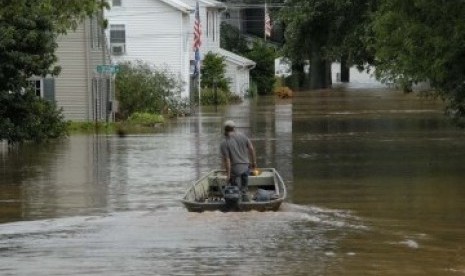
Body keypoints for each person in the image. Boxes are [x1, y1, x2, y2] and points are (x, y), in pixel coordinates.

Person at [220, 120, 257, 202]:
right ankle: (245, 198)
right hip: (246, 168)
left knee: (234, 190)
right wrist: (254, 163)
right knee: (244, 189)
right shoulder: (243, 136)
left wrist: (228, 175)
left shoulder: (224, 143)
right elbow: (251, 149)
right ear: (234, 129)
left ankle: (236, 201)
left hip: (235, 171)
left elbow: (227, 160)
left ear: (225, 130)